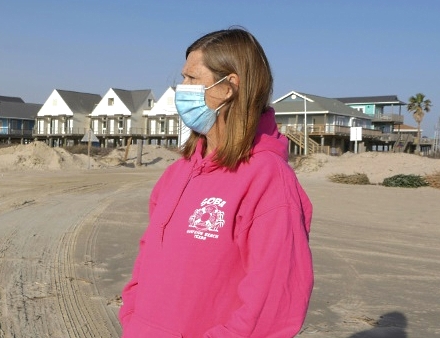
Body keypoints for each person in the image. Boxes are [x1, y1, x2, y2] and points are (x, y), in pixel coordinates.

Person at [119, 27, 314, 337]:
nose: (181, 88)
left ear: (229, 87)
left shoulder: (268, 178)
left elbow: (273, 304)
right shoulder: (178, 172)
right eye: (182, 78)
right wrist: (132, 315)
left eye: (192, 79)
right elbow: (147, 260)